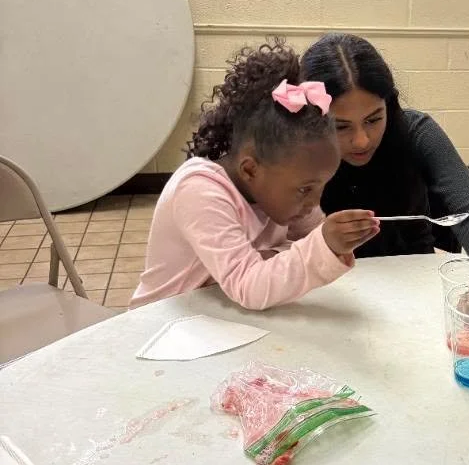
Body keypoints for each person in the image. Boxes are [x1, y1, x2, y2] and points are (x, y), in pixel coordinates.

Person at [130, 41, 378, 309]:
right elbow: (249, 286)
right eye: (305, 189)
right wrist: (322, 245)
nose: (313, 203)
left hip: (214, 317)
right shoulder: (198, 192)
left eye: (321, 187)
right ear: (250, 170)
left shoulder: (278, 186)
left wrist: (336, 240)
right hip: (161, 322)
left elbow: (309, 241)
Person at [299, 33, 469, 279]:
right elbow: (271, 248)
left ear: (388, 104)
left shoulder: (415, 131)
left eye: (373, 119)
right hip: (326, 283)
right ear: (311, 119)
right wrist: (322, 241)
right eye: (341, 126)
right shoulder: (292, 152)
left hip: (414, 277)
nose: (361, 140)